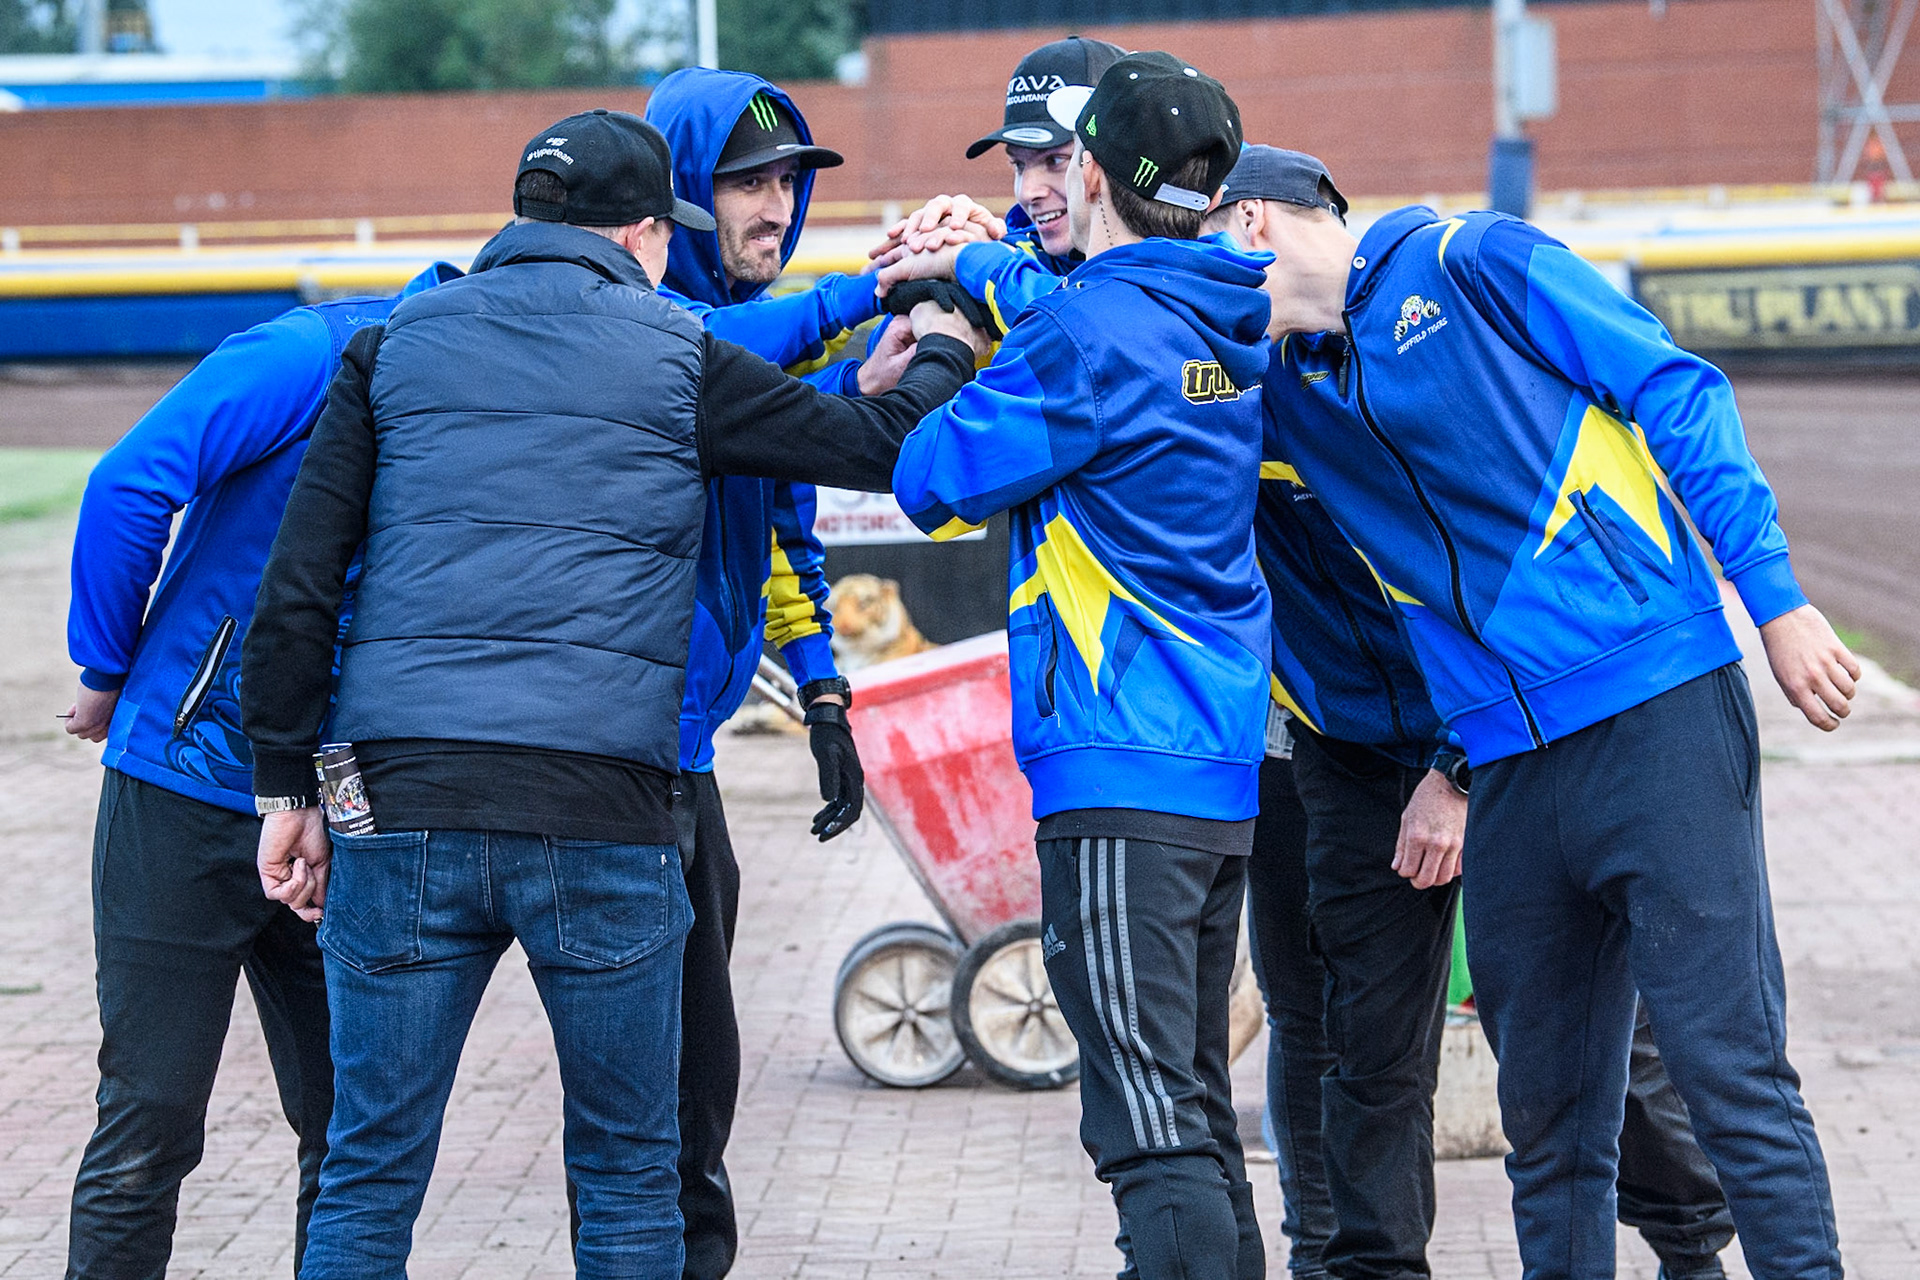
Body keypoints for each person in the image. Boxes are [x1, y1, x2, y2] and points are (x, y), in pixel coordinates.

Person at [239, 109, 986, 1279]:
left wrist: (292, 788)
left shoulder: (389, 347)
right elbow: (877, 440)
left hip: (398, 805)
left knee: (368, 1167)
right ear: (645, 236)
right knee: (631, 1170)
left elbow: (295, 593)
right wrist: (939, 326)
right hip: (606, 809)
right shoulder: (678, 353)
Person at [1255, 147, 1856, 1278]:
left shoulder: (1474, 259)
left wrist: (1774, 599)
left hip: (1657, 709)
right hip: (1508, 768)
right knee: (1551, 1124)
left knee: (1731, 1080)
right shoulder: (1285, 391)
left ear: (1251, 229)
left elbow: (1676, 388)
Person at [892, 54, 1271, 1280]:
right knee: (1193, 1104)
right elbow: (1078, 302)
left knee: (1146, 1129)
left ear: (1093, 172)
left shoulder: (1086, 337)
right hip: (1213, 772)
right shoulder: (1226, 313)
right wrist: (994, 268)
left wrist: (948, 337)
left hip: (1120, 771)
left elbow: (931, 478)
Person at [60, 256, 458, 1279]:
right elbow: (128, 483)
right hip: (186, 784)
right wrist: (107, 666)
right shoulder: (311, 351)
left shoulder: (491, 399)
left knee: (355, 1133)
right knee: (149, 1124)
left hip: (345, 800)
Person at [642, 67, 905, 1280]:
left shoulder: (768, 332)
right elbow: (711, 356)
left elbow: (789, 533)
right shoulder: (643, 322)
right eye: (750, 182)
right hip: (599, 758)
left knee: (699, 1076)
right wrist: (866, 293)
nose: (776, 208)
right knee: (653, 1090)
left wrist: (824, 691)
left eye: (790, 185)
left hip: (682, 750)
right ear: (682, 192)